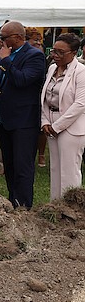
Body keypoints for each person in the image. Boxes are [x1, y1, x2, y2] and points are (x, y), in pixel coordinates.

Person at [0, 21, 46, 209]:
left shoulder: (34, 56)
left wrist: (6, 60)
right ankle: (12, 201)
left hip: (24, 121)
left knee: (23, 167)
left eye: (3, 38)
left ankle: (23, 206)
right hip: (4, 119)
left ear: (18, 37)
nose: (0, 41)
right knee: (10, 166)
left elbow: (22, 80)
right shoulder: (2, 57)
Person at [41, 33, 85, 200]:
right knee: (55, 169)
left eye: (60, 52)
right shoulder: (52, 68)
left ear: (73, 53)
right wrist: (45, 121)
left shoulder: (81, 72)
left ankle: (71, 209)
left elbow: (80, 104)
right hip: (50, 120)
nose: (55, 55)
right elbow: (45, 97)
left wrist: (57, 126)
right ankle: (55, 206)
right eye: (54, 51)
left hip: (72, 127)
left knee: (69, 170)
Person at [25, 27, 48, 167]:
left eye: (40, 40)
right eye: (36, 40)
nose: (39, 43)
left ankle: (41, 154)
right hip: (29, 97)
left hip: (40, 94)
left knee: (40, 128)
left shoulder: (39, 55)